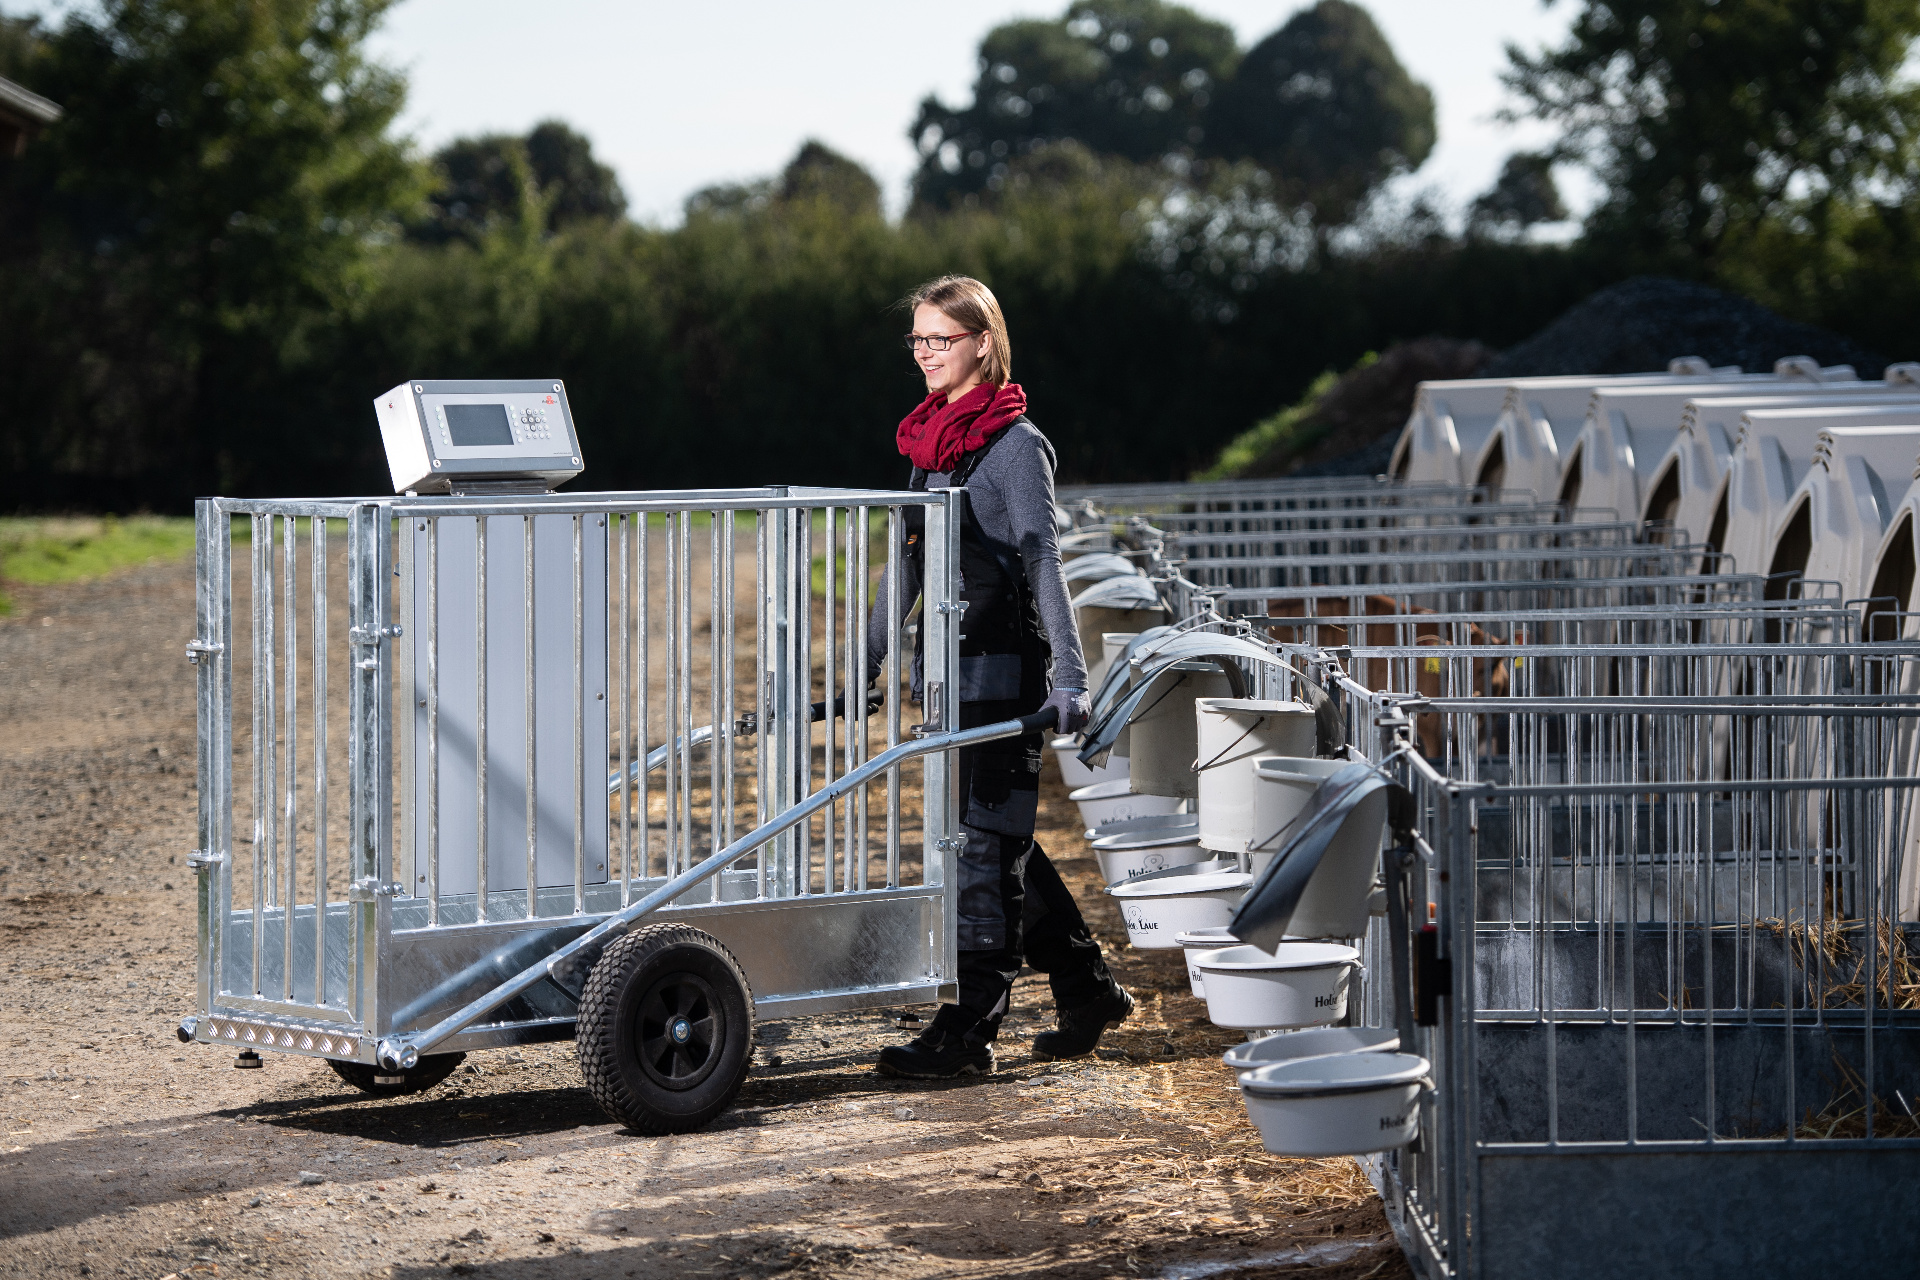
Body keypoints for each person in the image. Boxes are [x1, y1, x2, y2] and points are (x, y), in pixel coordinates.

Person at [867, 274, 1133, 1079]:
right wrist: (867, 660)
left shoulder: (1017, 448)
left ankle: (969, 1031)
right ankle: (1086, 986)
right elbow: (908, 567)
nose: (924, 355)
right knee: (991, 841)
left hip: (1004, 675)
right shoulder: (930, 443)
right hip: (945, 677)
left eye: (938, 340)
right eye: (916, 340)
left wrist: (1074, 679)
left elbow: (1041, 560)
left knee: (982, 853)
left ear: (982, 342)